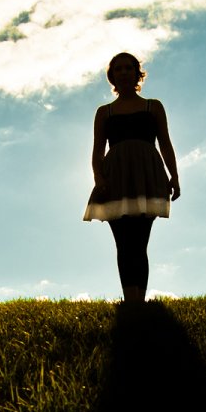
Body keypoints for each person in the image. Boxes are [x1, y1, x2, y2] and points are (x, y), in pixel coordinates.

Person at [83, 52, 181, 305]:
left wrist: (175, 176)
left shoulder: (153, 106)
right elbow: (97, 150)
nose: (124, 72)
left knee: (140, 242)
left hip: (147, 174)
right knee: (123, 242)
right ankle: (130, 300)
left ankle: (139, 301)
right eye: (119, 69)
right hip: (116, 177)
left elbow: (166, 144)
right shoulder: (104, 113)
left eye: (129, 68)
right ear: (112, 76)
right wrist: (98, 178)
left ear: (138, 73)